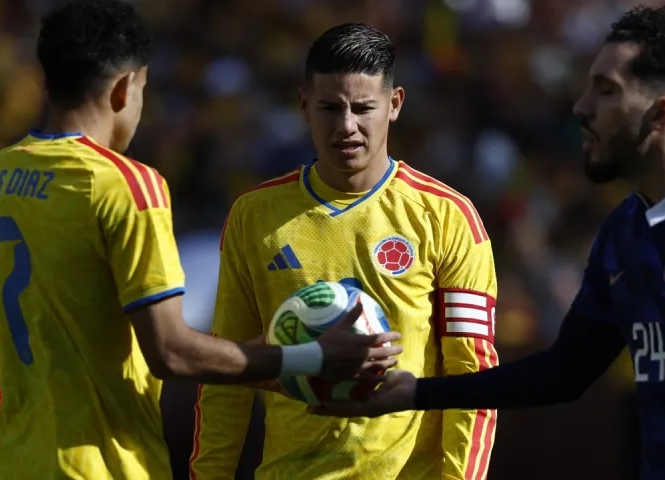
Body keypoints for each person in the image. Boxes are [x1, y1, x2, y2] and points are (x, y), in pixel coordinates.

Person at [315, 5, 665, 480]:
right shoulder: (625, 231)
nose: (580, 106)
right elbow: (564, 372)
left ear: (659, 113)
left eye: (606, 90)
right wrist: (417, 393)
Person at [0, 2, 401, 479]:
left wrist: (263, 360)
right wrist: (310, 356)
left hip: (19, 460)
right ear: (124, 87)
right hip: (101, 464)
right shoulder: (126, 184)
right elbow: (170, 351)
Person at [191, 23, 498, 480]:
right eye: (330, 108)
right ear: (303, 106)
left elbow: (472, 373)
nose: (346, 126)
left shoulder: (448, 216)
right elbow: (226, 371)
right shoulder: (254, 216)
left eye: (363, 108)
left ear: (394, 105)